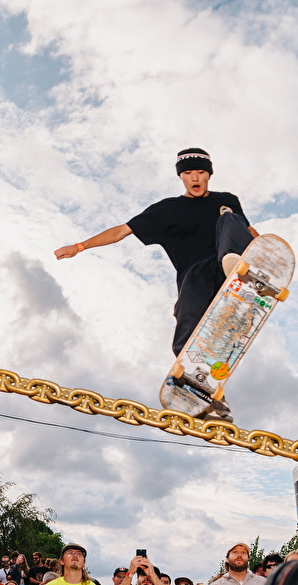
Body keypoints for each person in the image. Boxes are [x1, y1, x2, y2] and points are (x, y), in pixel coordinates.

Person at [53, 148, 259, 420]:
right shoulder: (167, 210)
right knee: (188, 331)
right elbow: (121, 231)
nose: (195, 179)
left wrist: (270, 253)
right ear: (181, 177)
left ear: (209, 174)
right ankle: (205, 397)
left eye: (200, 172)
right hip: (194, 277)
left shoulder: (227, 200)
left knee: (229, 218)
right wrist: (80, 246)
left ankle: (235, 266)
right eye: (188, 174)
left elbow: (249, 231)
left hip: (231, 264)